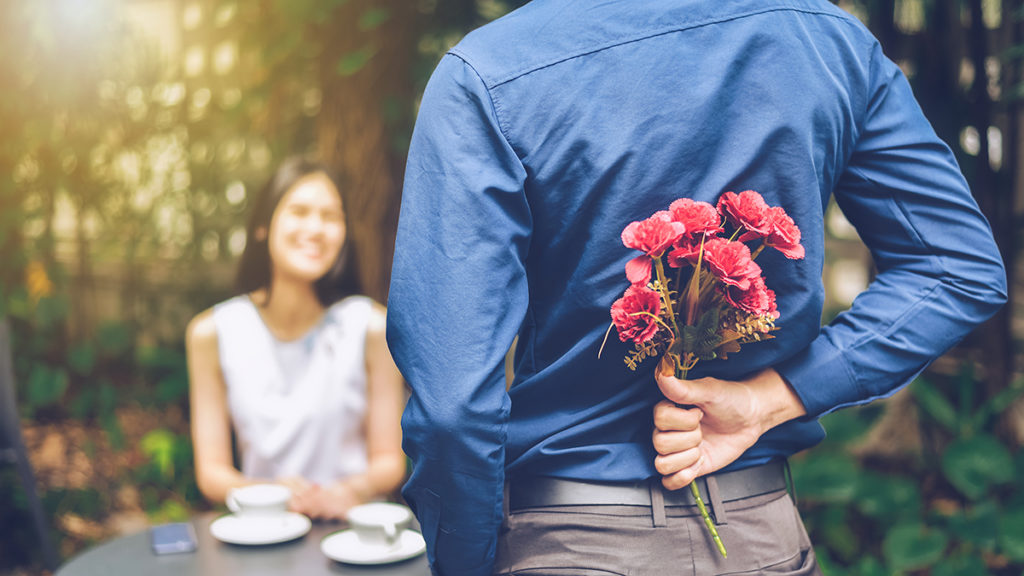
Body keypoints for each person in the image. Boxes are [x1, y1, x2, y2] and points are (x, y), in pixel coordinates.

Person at [387, 1, 1008, 574]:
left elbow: (452, 409)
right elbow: (957, 267)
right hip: (761, 539)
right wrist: (774, 398)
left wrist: (464, 561)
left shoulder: (492, 72)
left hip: (567, 540)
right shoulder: (828, 42)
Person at [187, 157, 406, 521]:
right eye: (299, 211)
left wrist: (348, 492)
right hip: (263, 532)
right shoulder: (212, 332)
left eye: (331, 216)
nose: (316, 228)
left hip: (355, 537)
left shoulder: (370, 326)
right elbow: (212, 473)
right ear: (262, 226)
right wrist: (269, 495)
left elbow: (389, 462)